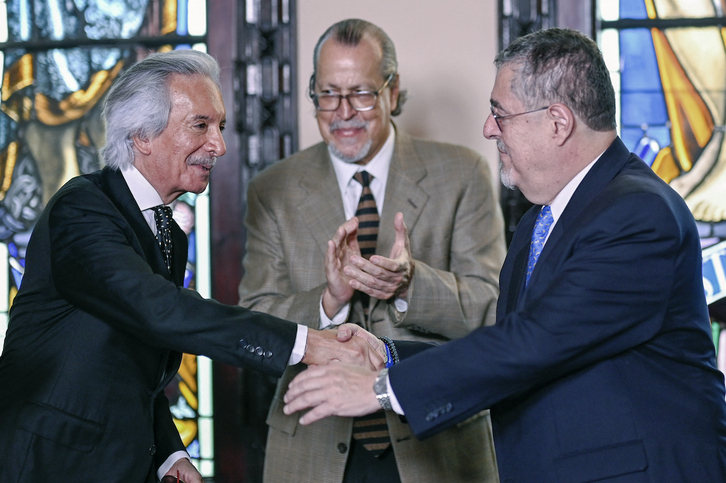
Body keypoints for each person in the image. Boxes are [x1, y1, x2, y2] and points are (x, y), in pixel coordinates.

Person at [283, 27, 726, 483]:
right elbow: (515, 340)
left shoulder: (638, 213)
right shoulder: (541, 218)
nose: (488, 128)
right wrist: (388, 355)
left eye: (501, 114)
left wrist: (382, 389)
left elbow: (535, 342)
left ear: (558, 121)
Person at [0, 49, 383, 483]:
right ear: (143, 135)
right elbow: (158, 310)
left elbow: (136, 364)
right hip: (48, 464)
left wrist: (169, 454)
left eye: (219, 127)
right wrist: (311, 344)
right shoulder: (82, 209)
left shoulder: (169, 233)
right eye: (200, 126)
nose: (218, 145)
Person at [238, 18, 505, 483]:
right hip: (312, 448)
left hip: (438, 442)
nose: (343, 112)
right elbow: (254, 322)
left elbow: (493, 309)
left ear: (393, 90)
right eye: (327, 94)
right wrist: (329, 301)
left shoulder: (464, 174)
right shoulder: (272, 190)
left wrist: (409, 285)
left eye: (361, 92)